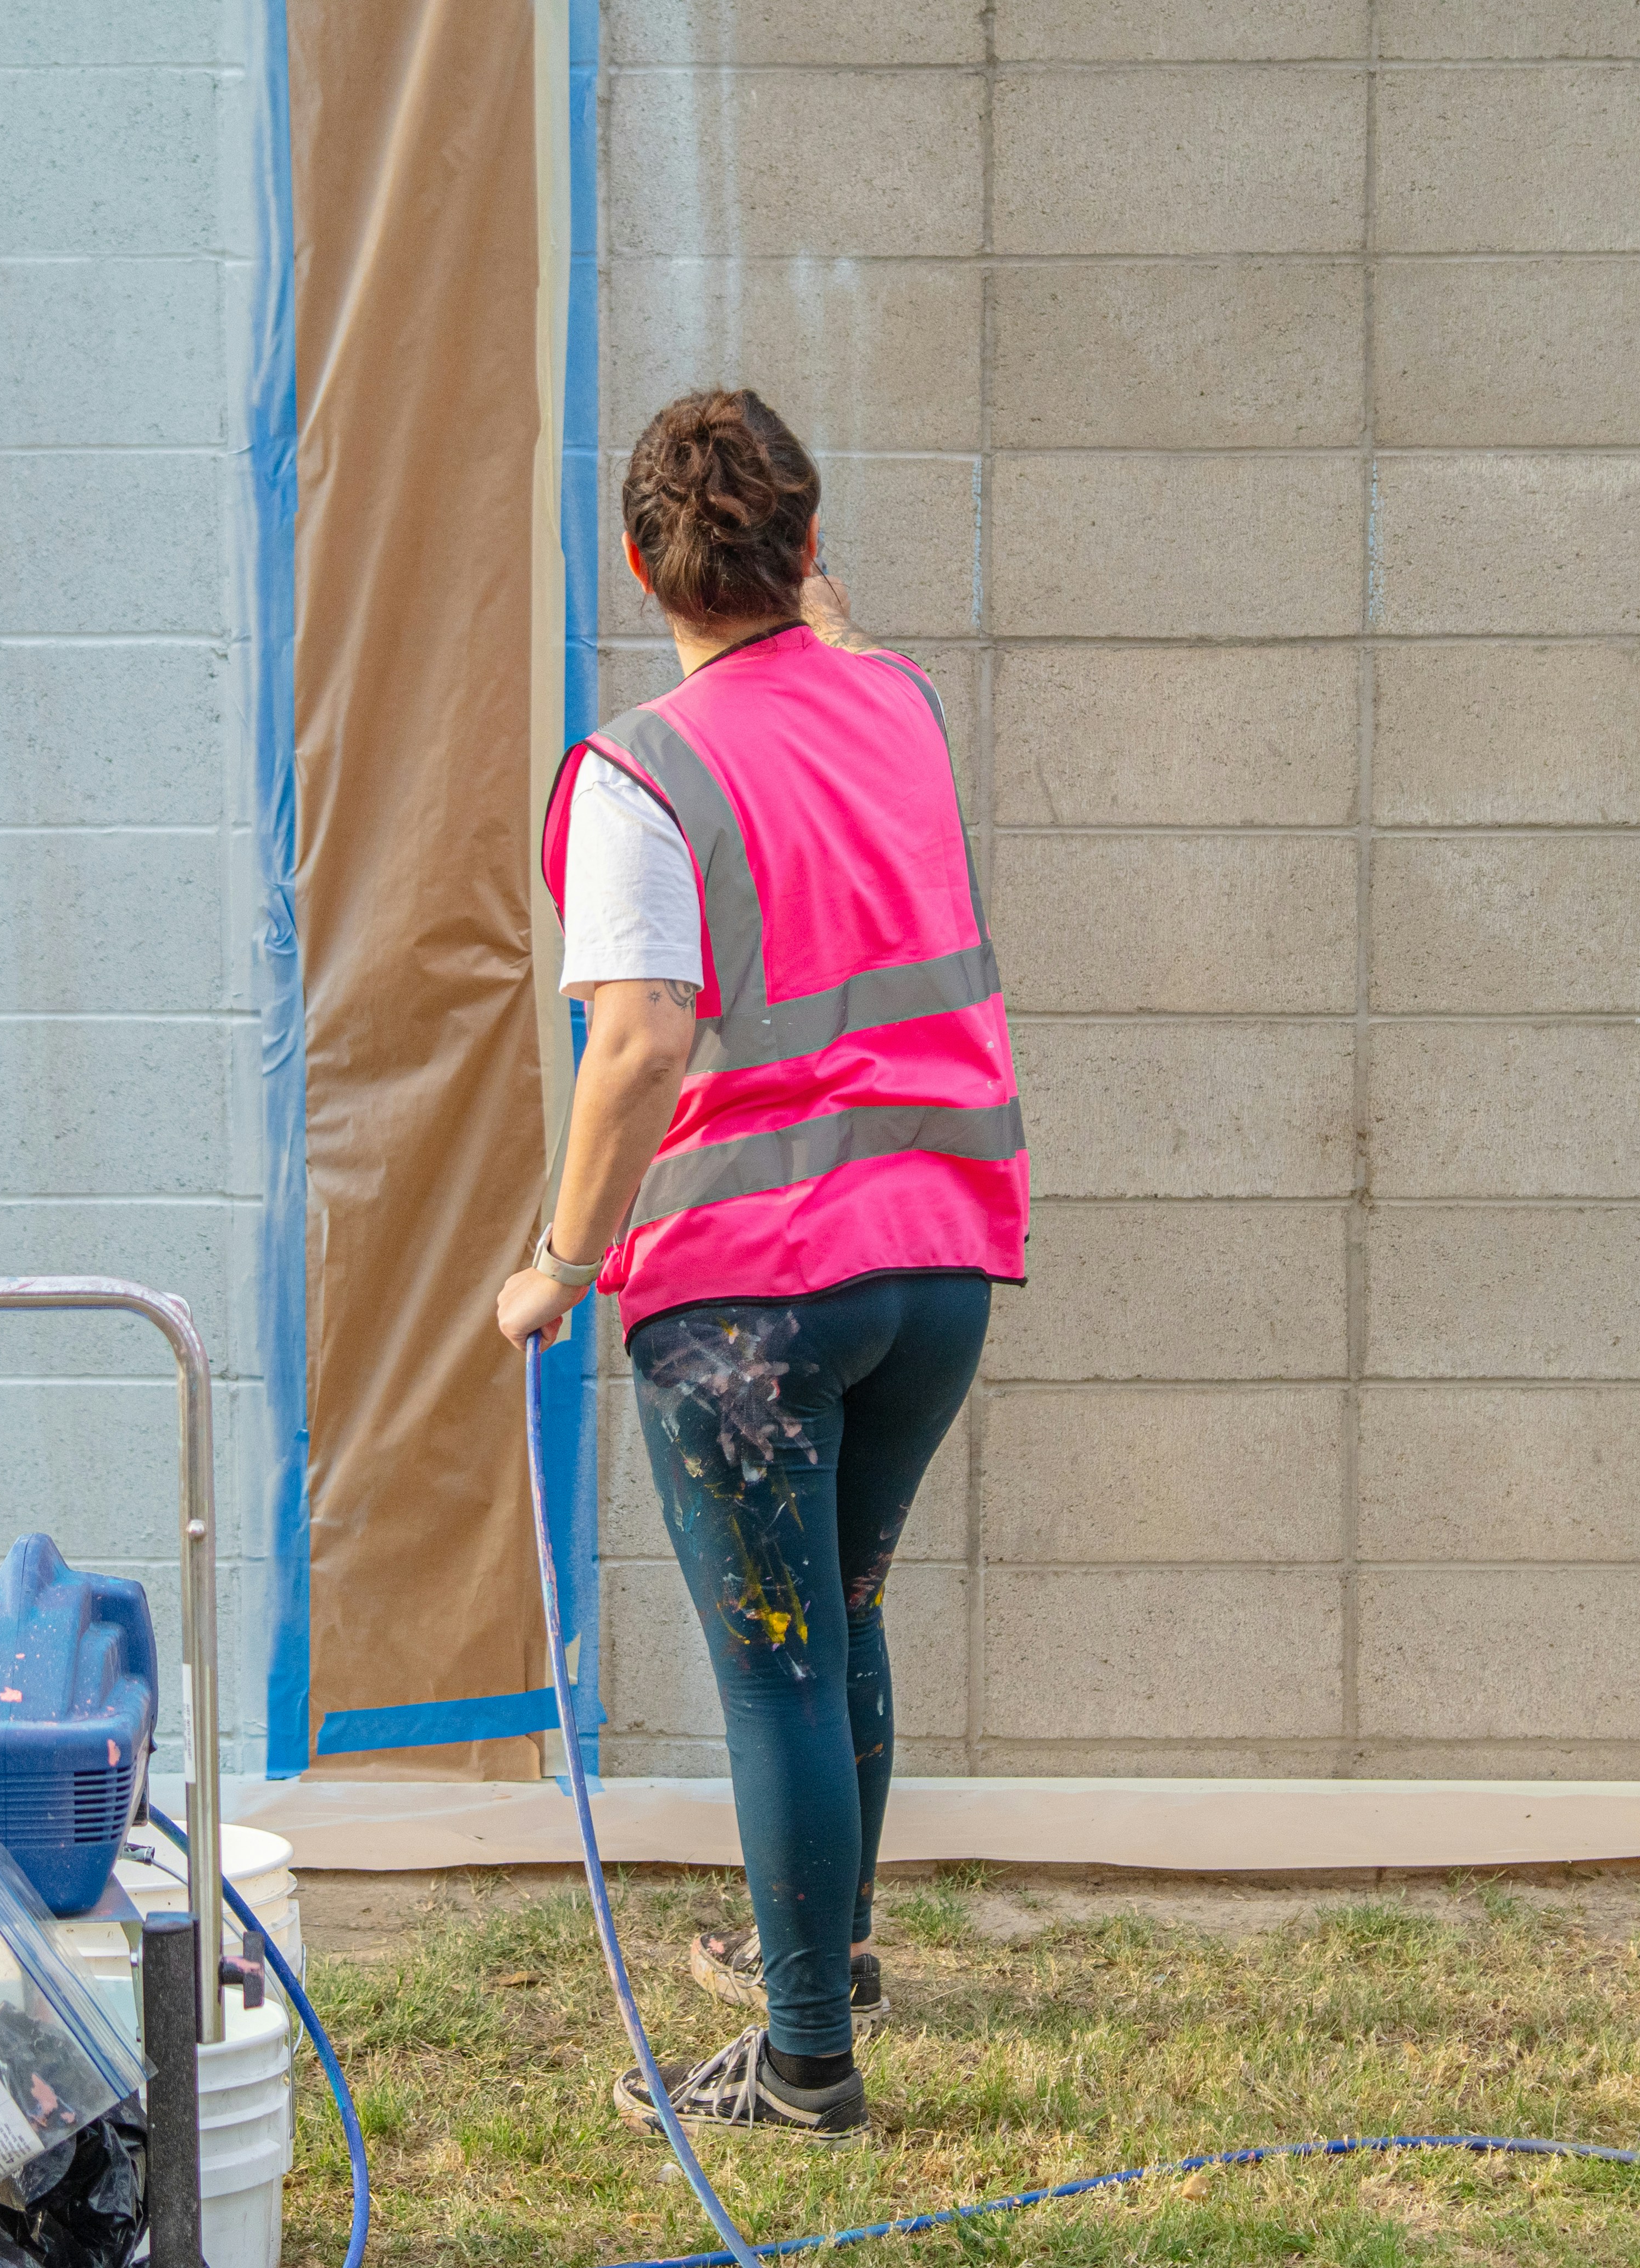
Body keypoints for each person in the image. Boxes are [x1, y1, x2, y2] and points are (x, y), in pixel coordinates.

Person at [493, 388, 1029, 2143]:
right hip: (936, 1262)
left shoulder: (641, 773)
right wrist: (829, 614)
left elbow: (640, 1039)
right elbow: (847, 698)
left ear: (640, 564)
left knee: (778, 1664)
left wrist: (562, 1266)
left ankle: (808, 2067)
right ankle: (833, 1952)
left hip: (750, 1299)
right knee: (847, 1614)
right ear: (809, 549)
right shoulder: (907, 708)